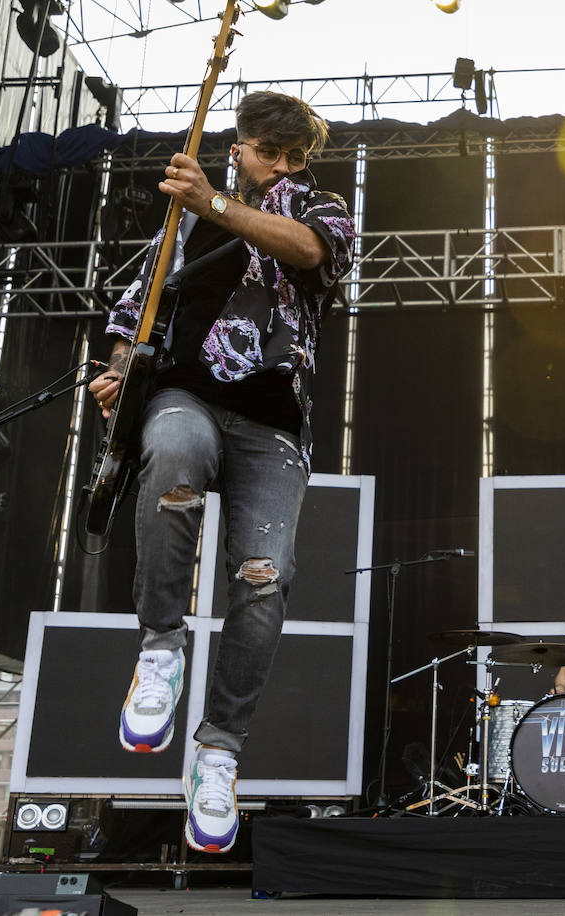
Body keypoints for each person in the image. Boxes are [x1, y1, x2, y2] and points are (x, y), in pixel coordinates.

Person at [87, 91, 355, 853]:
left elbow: (310, 253)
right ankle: (161, 648)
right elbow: (128, 319)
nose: (279, 165)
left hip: (272, 422)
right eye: (266, 150)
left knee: (264, 579)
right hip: (185, 393)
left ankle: (218, 751)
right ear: (238, 146)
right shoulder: (184, 219)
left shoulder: (320, 206)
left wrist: (218, 202)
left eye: (292, 154)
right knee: (170, 458)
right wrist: (117, 377)